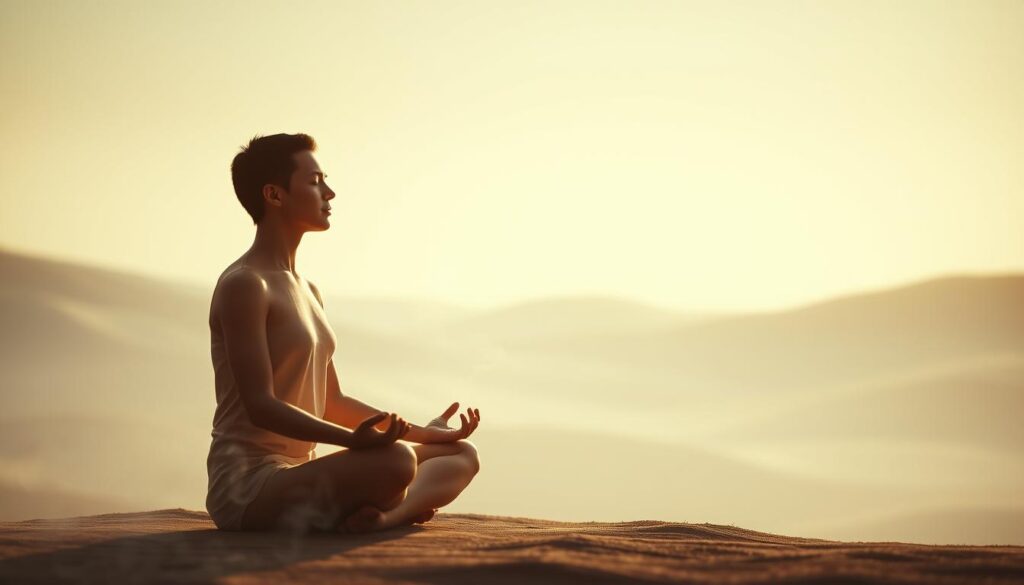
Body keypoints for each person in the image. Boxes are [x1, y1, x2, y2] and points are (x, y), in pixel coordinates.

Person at [205, 133, 481, 534]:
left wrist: (423, 432)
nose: (329, 193)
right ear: (274, 194)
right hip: (249, 486)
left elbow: (330, 400)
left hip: (304, 473)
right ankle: (383, 502)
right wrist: (355, 443)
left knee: (460, 454)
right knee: (399, 462)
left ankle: (386, 517)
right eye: (315, 181)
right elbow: (259, 404)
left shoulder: (308, 289)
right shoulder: (245, 285)